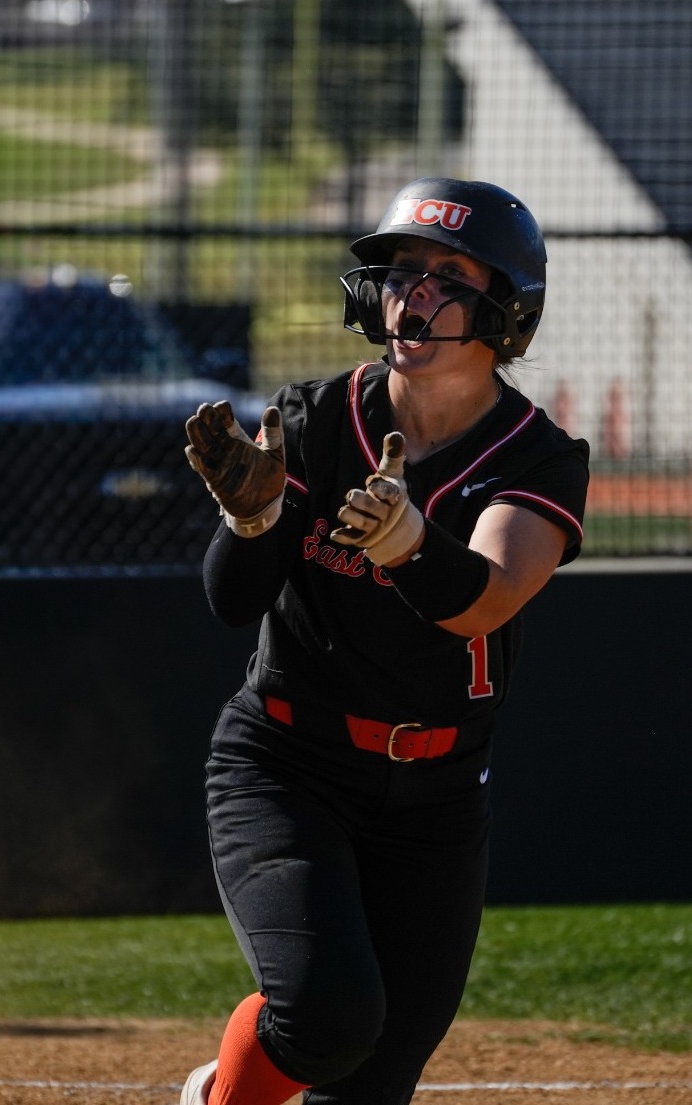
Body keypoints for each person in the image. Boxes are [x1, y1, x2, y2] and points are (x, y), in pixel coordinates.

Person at [179, 177, 590, 1105]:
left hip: (435, 799)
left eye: (448, 275)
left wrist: (407, 539)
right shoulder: (317, 416)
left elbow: (485, 599)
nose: (414, 292)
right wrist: (250, 520)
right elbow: (232, 601)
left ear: (506, 309)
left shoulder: (537, 455)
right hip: (288, 763)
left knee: (368, 1082)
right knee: (326, 1017)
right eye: (403, 270)